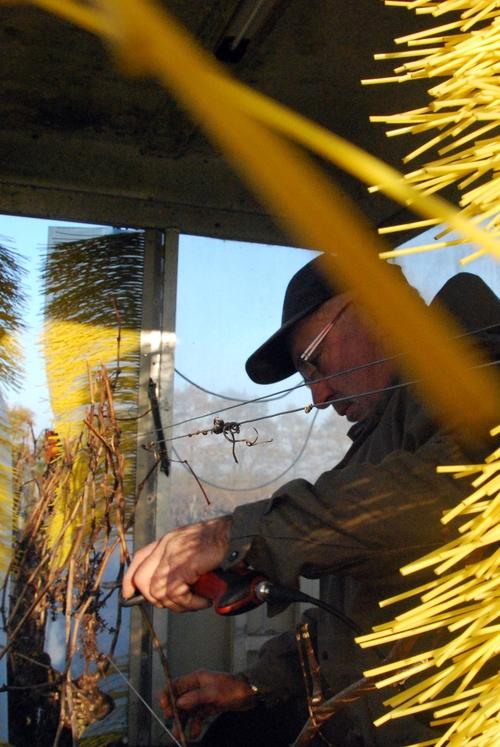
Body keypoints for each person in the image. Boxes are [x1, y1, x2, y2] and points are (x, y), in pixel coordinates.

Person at [123, 255, 500, 746]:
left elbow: (459, 486)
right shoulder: (385, 437)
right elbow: (359, 616)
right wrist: (256, 684)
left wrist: (234, 534)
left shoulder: (475, 373)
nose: (318, 397)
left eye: (314, 362)